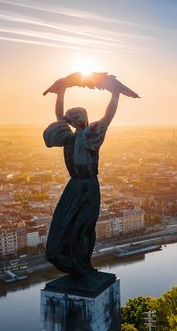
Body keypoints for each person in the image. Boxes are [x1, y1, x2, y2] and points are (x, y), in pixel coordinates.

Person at [43, 78, 120, 275]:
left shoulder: (90, 135)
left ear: (79, 120)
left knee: (83, 226)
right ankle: (73, 261)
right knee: (67, 225)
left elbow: (108, 116)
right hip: (76, 186)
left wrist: (115, 95)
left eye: (72, 117)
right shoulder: (69, 138)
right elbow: (59, 116)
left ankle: (83, 263)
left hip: (87, 186)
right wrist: (61, 92)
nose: (68, 120)